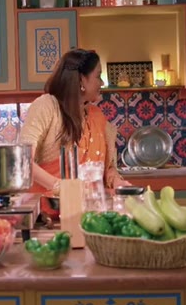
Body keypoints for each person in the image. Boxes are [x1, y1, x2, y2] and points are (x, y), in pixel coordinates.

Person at [20, 48, 131, 218]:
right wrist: (62, 188)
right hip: (48, 215)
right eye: (98, 76)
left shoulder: (97, 116)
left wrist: (118, 182)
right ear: (81, 80)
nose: (102, 83)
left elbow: (107, 167)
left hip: (89, 214)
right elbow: (24, 160)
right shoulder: (47, 106)